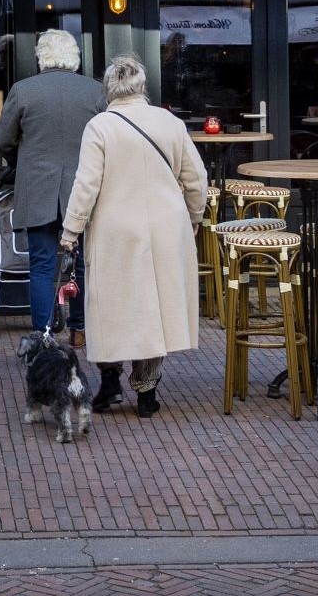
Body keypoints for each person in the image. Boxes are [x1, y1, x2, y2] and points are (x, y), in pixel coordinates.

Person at [58, 54, 207, 416]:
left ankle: (111, 381)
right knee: (153, 309)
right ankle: (147, 391)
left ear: (110, 89)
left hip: (116, 229)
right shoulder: (170, 122)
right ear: (142, 87)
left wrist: (70, 230)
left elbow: (86, 184)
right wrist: (194, 217)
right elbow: (196, 178)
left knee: (111, 307)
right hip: (167, 227)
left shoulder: (100, 126)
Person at [0, 29, 105, 343]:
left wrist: (22, 159)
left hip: (38, 188)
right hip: (83, 189)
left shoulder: (23, 90)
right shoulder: (95, 92)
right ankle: (80, 330)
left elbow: (3, 140)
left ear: (42, 57)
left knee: (41, 265)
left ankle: (42, 334)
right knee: (86, 263)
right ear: (74, 57)